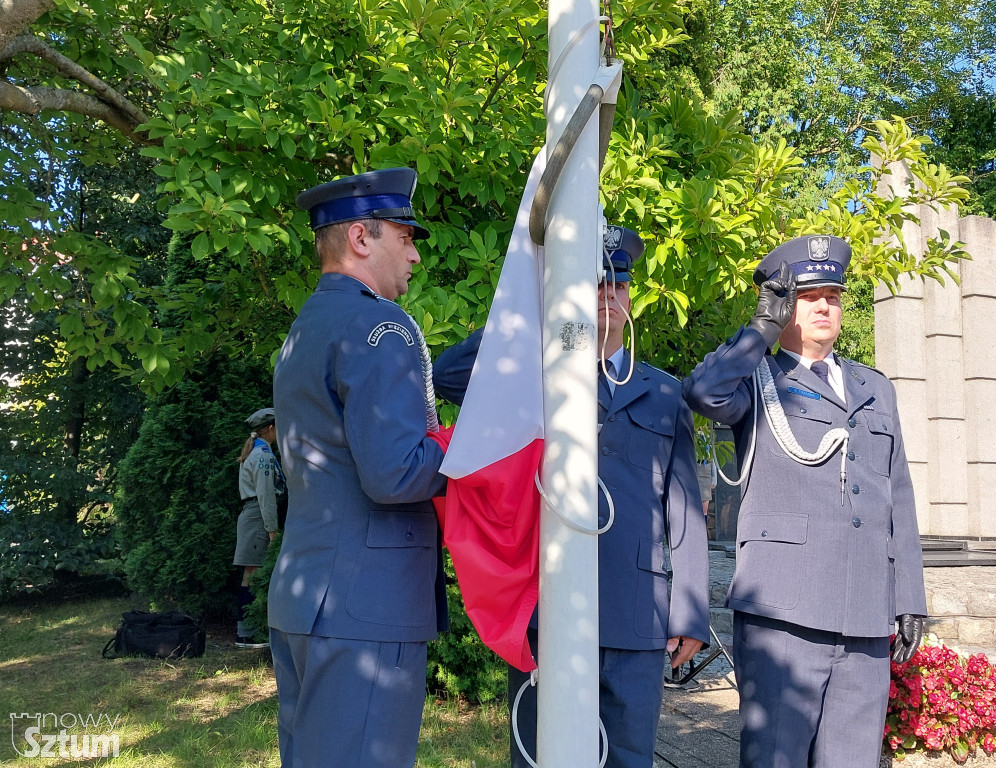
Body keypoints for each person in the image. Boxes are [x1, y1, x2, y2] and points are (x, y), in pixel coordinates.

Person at [434, 225, 709, 768]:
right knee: (542, 755)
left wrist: (691, 612)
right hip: (551, 606)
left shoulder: (662, 392)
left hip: (636, 610)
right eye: (592, 284)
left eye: (617, 286)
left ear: (631, 298)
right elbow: (449, 376)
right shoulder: (535, 374)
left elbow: (683, 509)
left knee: (629, 757)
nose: (607, 294)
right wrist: (534, 306)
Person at [682, 235, 927, 768]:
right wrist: (759, 330)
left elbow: (898, 497)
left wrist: (909, 596)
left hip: (864, 614)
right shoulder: (757, 376)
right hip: (784, 613)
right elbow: (703, 393)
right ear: (785, 306)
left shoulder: (874, 387)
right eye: (808, 296)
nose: (823, 306)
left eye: (833, 296)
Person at [268, 167, 448, 768]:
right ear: (362, 240)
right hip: (367, 604)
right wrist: (472, 452)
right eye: (406, 237)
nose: (416, 256)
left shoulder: (308, 326)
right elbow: (395, 472)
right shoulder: (381, 326)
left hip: (308, 595)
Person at [233, 406, 284, 649]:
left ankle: (249, 631)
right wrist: (272, 532)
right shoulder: (263, 455)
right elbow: (265, 495)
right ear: (271, 428)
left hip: (255, 515)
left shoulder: (259, 450)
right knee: (253, 574)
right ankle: (247, 633)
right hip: (258, 517)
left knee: (252, 574)